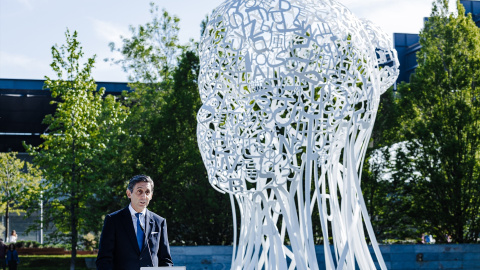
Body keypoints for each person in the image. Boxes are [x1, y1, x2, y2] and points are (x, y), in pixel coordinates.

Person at [96, 175, 173, 270]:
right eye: (139, 191)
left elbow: (165, 260)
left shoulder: (159, 222)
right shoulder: (113, 220)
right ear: (129, 193)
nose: (144, 196)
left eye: (147, 192)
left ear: (151, 196)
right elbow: (104, 259)